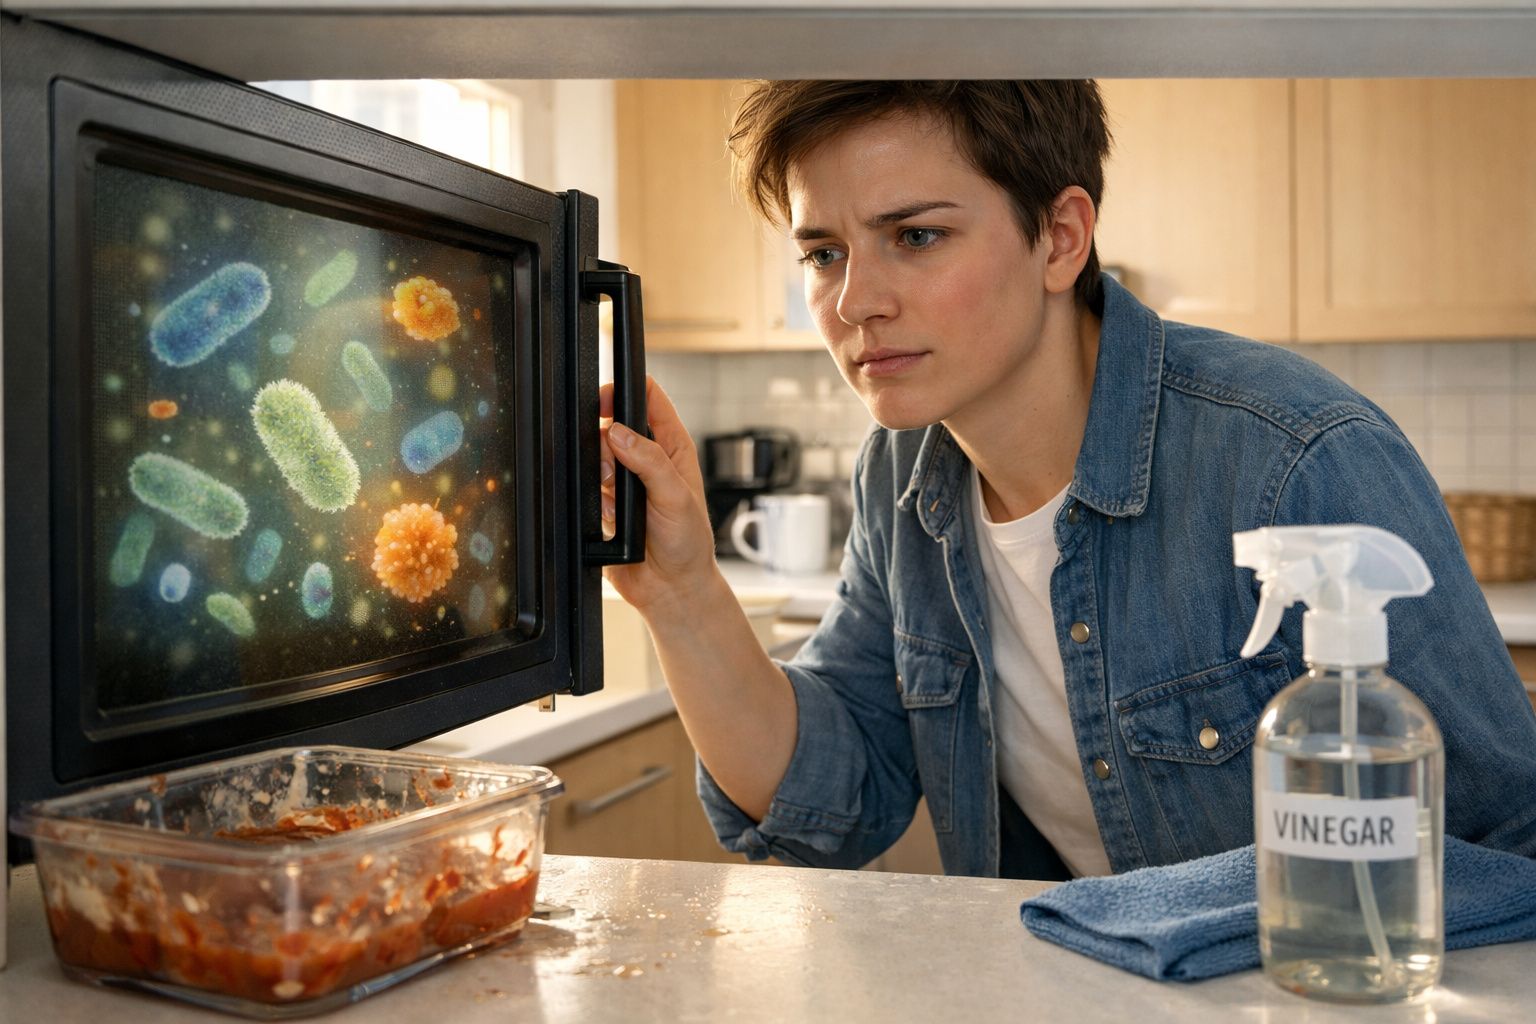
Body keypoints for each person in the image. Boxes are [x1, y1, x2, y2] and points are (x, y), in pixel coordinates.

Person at [598, 80, 1536, 879]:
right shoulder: (901, 476)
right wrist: (682, 593)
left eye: (916, 237)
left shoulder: (1293, 456)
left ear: (1059, 237)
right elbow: (834, 799)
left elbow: (1511, 847)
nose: (855, 303)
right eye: (823, 253)